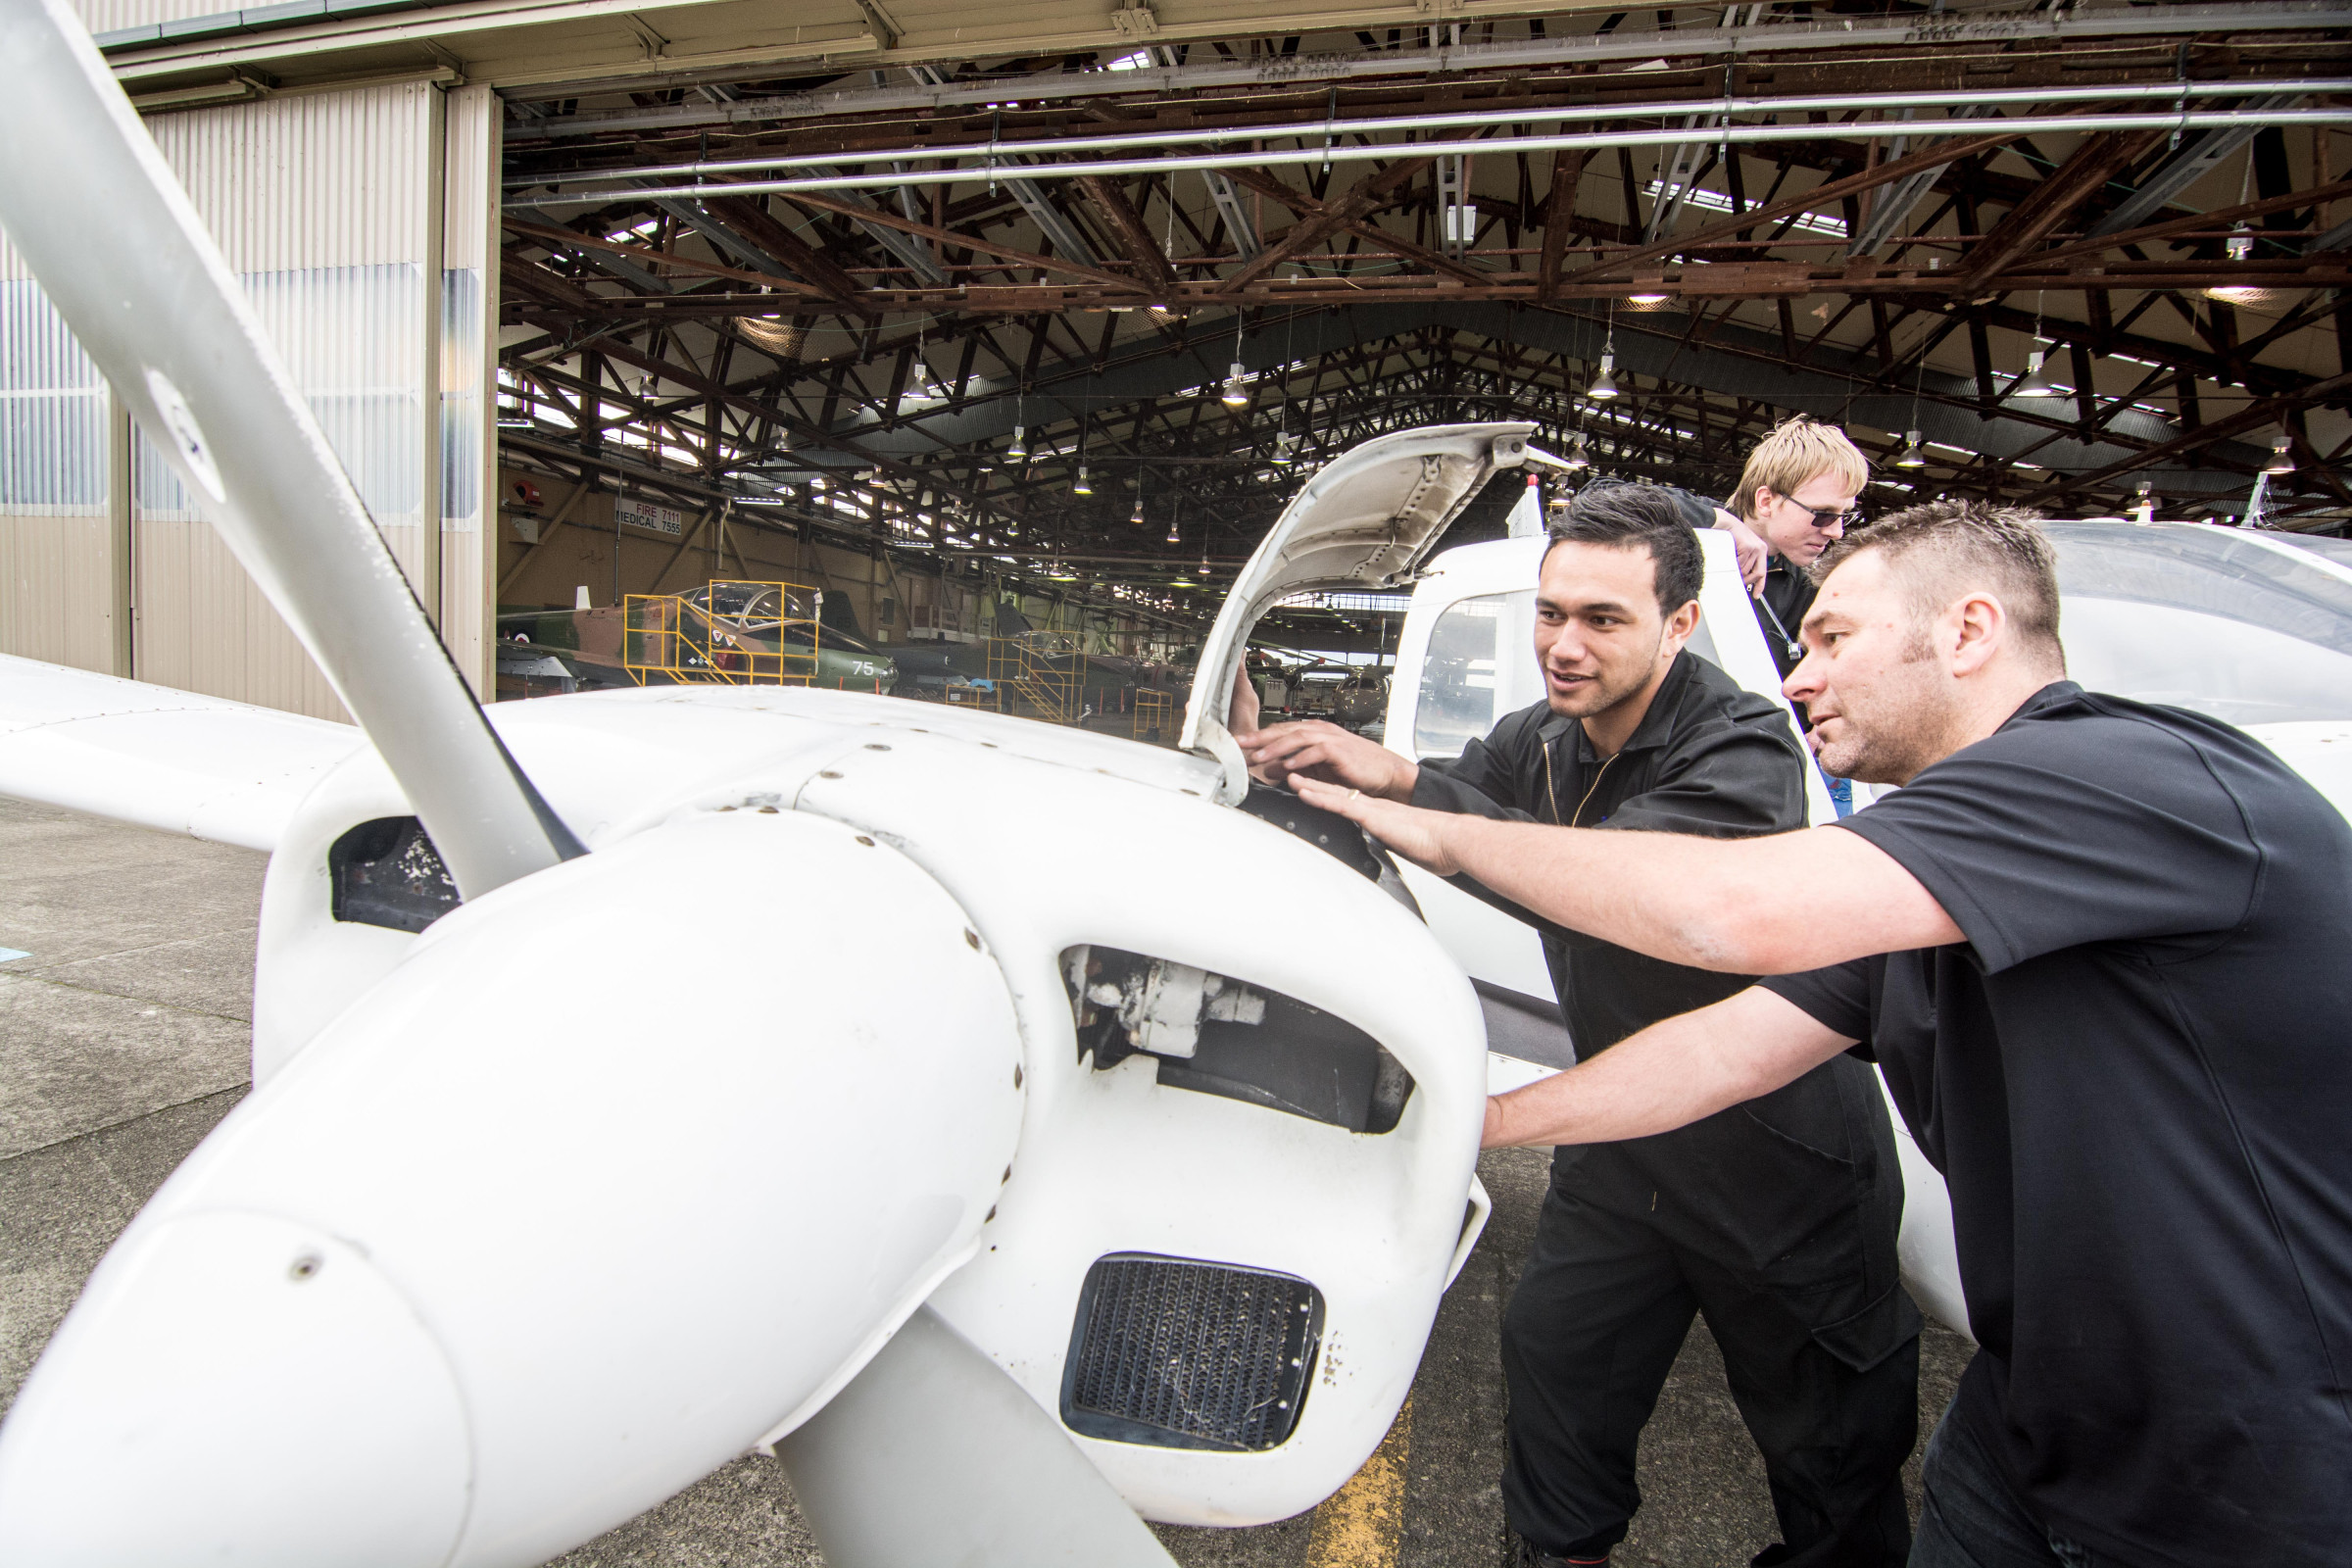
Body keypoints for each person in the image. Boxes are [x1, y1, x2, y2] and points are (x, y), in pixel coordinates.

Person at [1297, 500, 2352, 1568]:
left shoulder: (2128, 771)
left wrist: (1429, 824)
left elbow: (1720, 914)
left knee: (1829, 1442)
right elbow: (1721, 1050)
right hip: (2031, 1416)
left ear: (1970, 632)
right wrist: (1486, 1119)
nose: (1797, 678)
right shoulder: (1926, 880)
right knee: (1562, 1356)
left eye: (1833, 638)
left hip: (2241, 1459)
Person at [1237, 485, 1919, 1568]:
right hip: (1622, 1140)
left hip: (1774, 1157)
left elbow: (1603, 881)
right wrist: (1330, 766)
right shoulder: (1540, 740)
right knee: (1557, 1360)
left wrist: (1414, 801)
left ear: (1680, 624)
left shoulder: (1743, 750)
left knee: (1830, 1447)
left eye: (1603, 619)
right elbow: (1469, 794)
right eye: (1550, 612)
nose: (1563, 644)